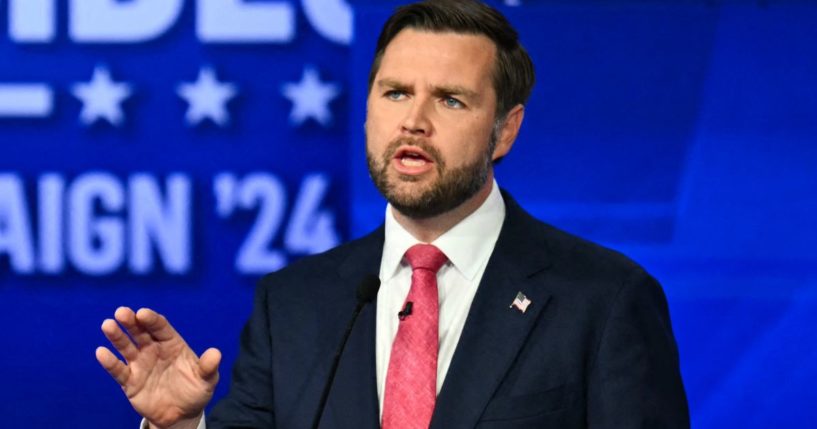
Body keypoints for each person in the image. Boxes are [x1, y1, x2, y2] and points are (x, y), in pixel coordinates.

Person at [97, 1, 690, 428]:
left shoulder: (603, 299)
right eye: (396, 92)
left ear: (505, 130)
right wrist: (181, 428)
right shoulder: (295, 303)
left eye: (451, 100)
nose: (414, 121)